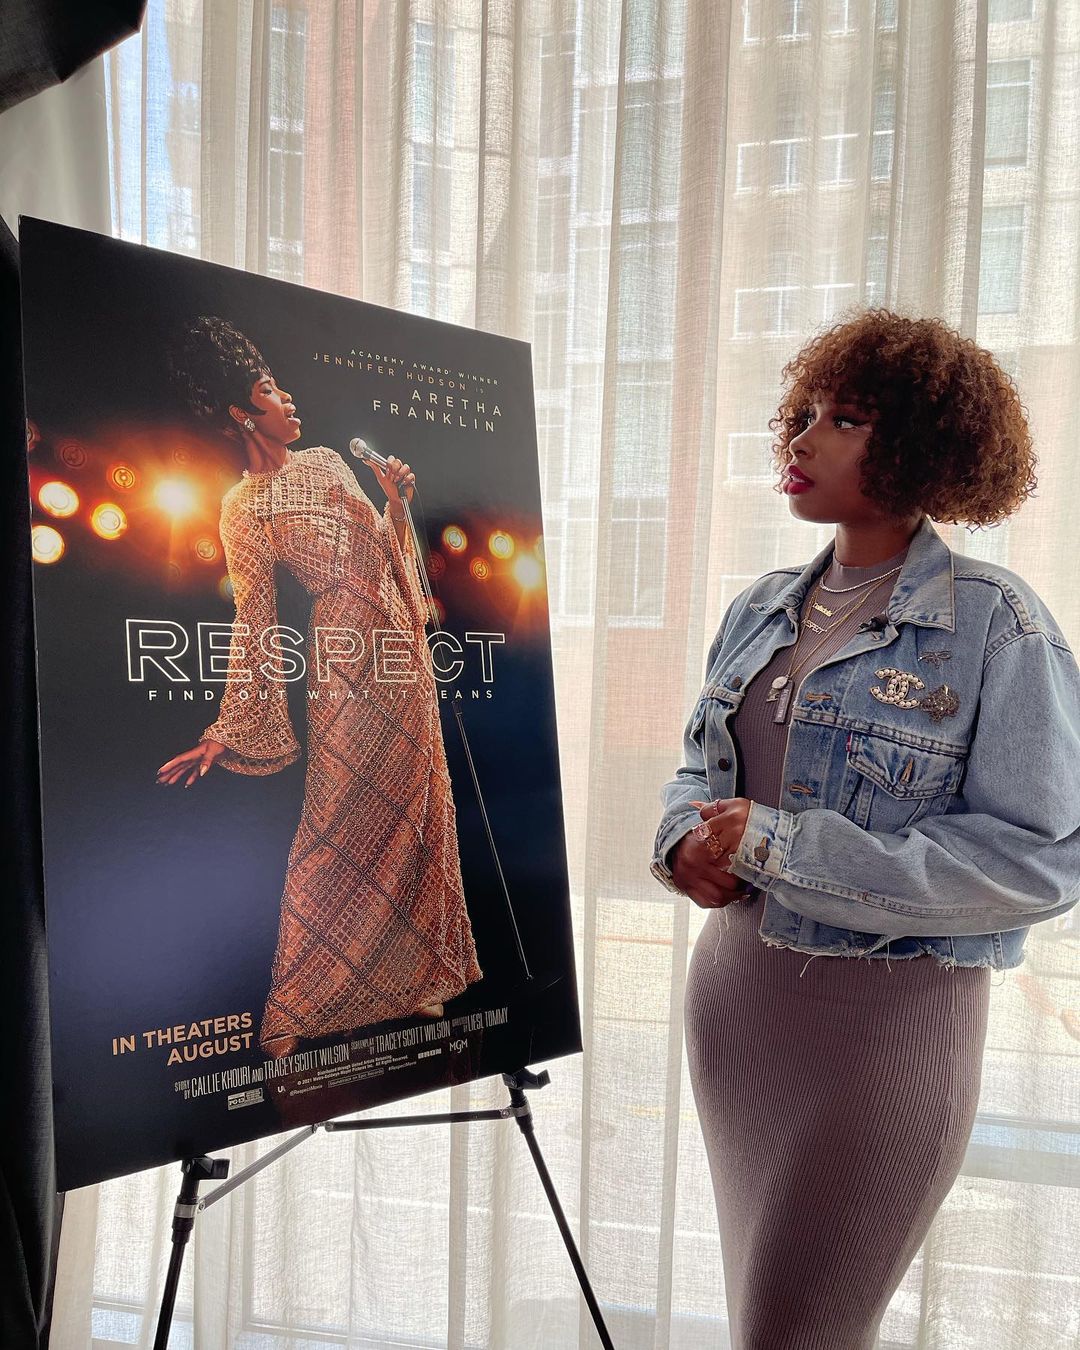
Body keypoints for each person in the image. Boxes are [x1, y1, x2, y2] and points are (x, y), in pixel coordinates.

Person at [651, 309, 1080, 1349]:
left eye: (844, 419)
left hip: (885, 1041)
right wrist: (680, 844)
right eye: (802, 414)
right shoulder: (760, 607)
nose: (803, 439)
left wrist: (780, 847)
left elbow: (1039, 861)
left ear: (926, 447)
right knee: (764, 1316)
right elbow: (700, 769)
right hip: (736, 1011)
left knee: (796, 1333)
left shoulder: (997, 622)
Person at [160, 316, 482, 1057]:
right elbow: (254, 618)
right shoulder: (242, 508)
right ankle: (301, 1005)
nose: (288, 397)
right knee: (335, 829)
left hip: (399, 655)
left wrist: (394, 502)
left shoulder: (331, 462)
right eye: (270, 389)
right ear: (242, 411)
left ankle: (419, 980)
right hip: (340, 661)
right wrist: (225, 732)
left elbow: (388, 554)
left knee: (417, 813)